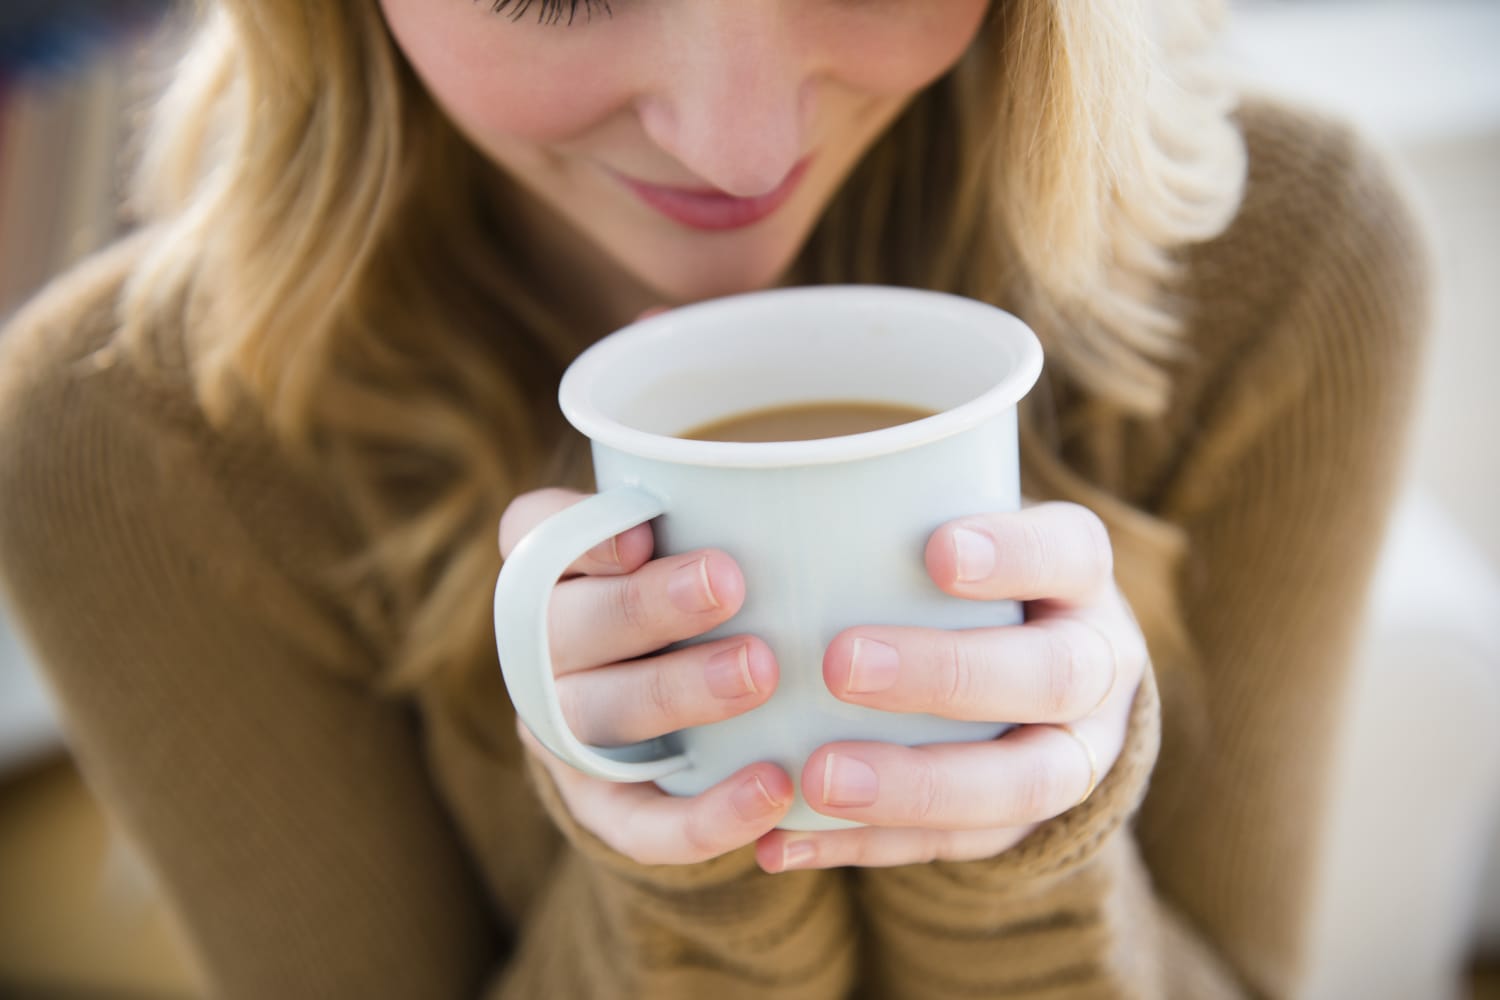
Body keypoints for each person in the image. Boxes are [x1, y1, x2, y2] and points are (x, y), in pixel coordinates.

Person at [0, 1, 1429, 997]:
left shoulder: (1283, 267)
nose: (736, 147)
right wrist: (687, 872)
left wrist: (1026, 850)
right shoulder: (123, 440)